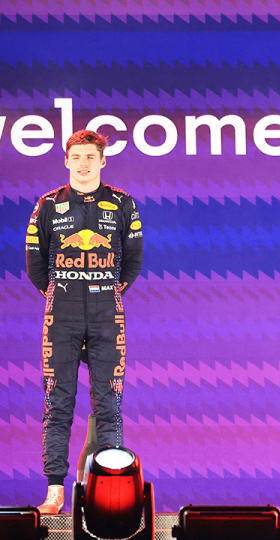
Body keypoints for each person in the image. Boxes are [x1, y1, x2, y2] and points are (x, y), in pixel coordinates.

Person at [25, 130, 144, 514]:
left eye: (91, 157)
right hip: (61, 316)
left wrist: (103, 290)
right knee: (57, 403)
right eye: (76, 157)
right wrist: (65, 291)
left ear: (102, 161)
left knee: (109, 403)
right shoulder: (47, 205)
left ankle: (108, 494)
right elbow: (35, 266)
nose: (83, 163)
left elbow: (133, 262)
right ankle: (54, 491)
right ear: (66, 161)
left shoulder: (123, 203)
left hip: (108, 317)